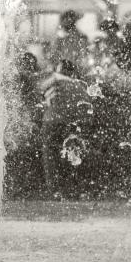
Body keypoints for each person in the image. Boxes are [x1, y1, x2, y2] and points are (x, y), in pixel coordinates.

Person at [40, 59, 93, 198]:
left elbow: (39, 87)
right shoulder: (79, 85)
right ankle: (74, 189)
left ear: (60, 70)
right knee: (73, 154)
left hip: (53, 122)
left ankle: (54, 190)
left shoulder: (56, 79)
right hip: (74, 124)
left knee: (51, 155)